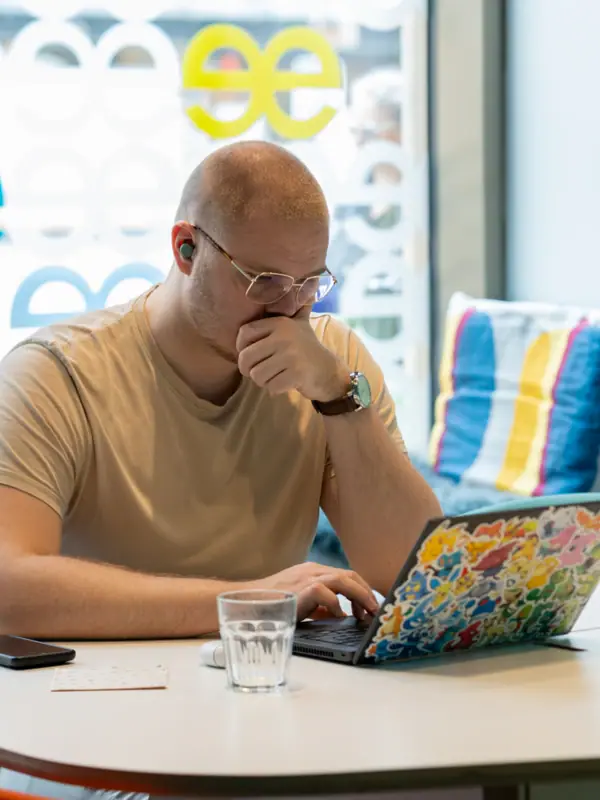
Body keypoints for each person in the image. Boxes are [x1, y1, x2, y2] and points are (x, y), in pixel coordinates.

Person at [0, 141, 440, 643]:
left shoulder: (332, 365)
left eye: (309, 283)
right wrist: (249, 604)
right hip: (102, 693)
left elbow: (419, 576)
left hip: (269, 688)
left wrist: (339, 398)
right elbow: (9, 589)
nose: (289, 310)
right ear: (186, 248)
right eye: (263, 281)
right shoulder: (57, 375)